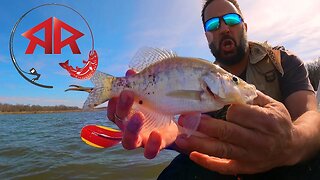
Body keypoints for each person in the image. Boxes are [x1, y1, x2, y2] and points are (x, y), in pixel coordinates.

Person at [107, 0, 320, 179]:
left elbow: (311, 116)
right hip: (226, 164)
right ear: (207, 37)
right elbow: (191, 135)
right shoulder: (203, 80)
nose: (224, 28)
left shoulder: (284, 62)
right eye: (212, 25)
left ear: (244, 27)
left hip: (289, 164)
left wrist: (291, 143)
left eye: (232, 20)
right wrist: (174, 138)